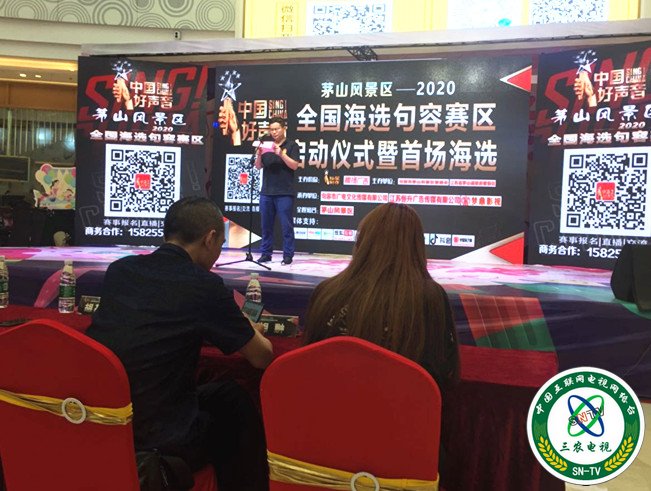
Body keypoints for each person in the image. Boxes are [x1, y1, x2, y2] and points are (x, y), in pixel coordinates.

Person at [87, 197, 273, 491]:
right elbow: (262, 357)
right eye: (220, 245)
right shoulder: (203, 285)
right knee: (237, 416)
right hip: (160, 436)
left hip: (109, 415)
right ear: (210, 238)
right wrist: (247, 327)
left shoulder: (121, 271)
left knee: (229, 395)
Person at [303, 202, 460, 390]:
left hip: (327, 403)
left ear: (363, 242)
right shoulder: (430, 296)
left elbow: (307, 364)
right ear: (416, 246)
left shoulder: (327, 292)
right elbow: (440, 372)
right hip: (404, 405)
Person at [254, 116, 301, 265]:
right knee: (266, 226)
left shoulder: (292, 145)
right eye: (272, 129)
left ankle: (288, 255)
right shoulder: (267, 145)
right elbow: (258, 166)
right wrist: (259, 154)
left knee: (286, 226)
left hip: (284, 192)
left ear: (283, 129)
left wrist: (281, 154)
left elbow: (294, 165)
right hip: (266, 192)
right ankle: (266, 254)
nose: (274, 132)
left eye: (277, 129)